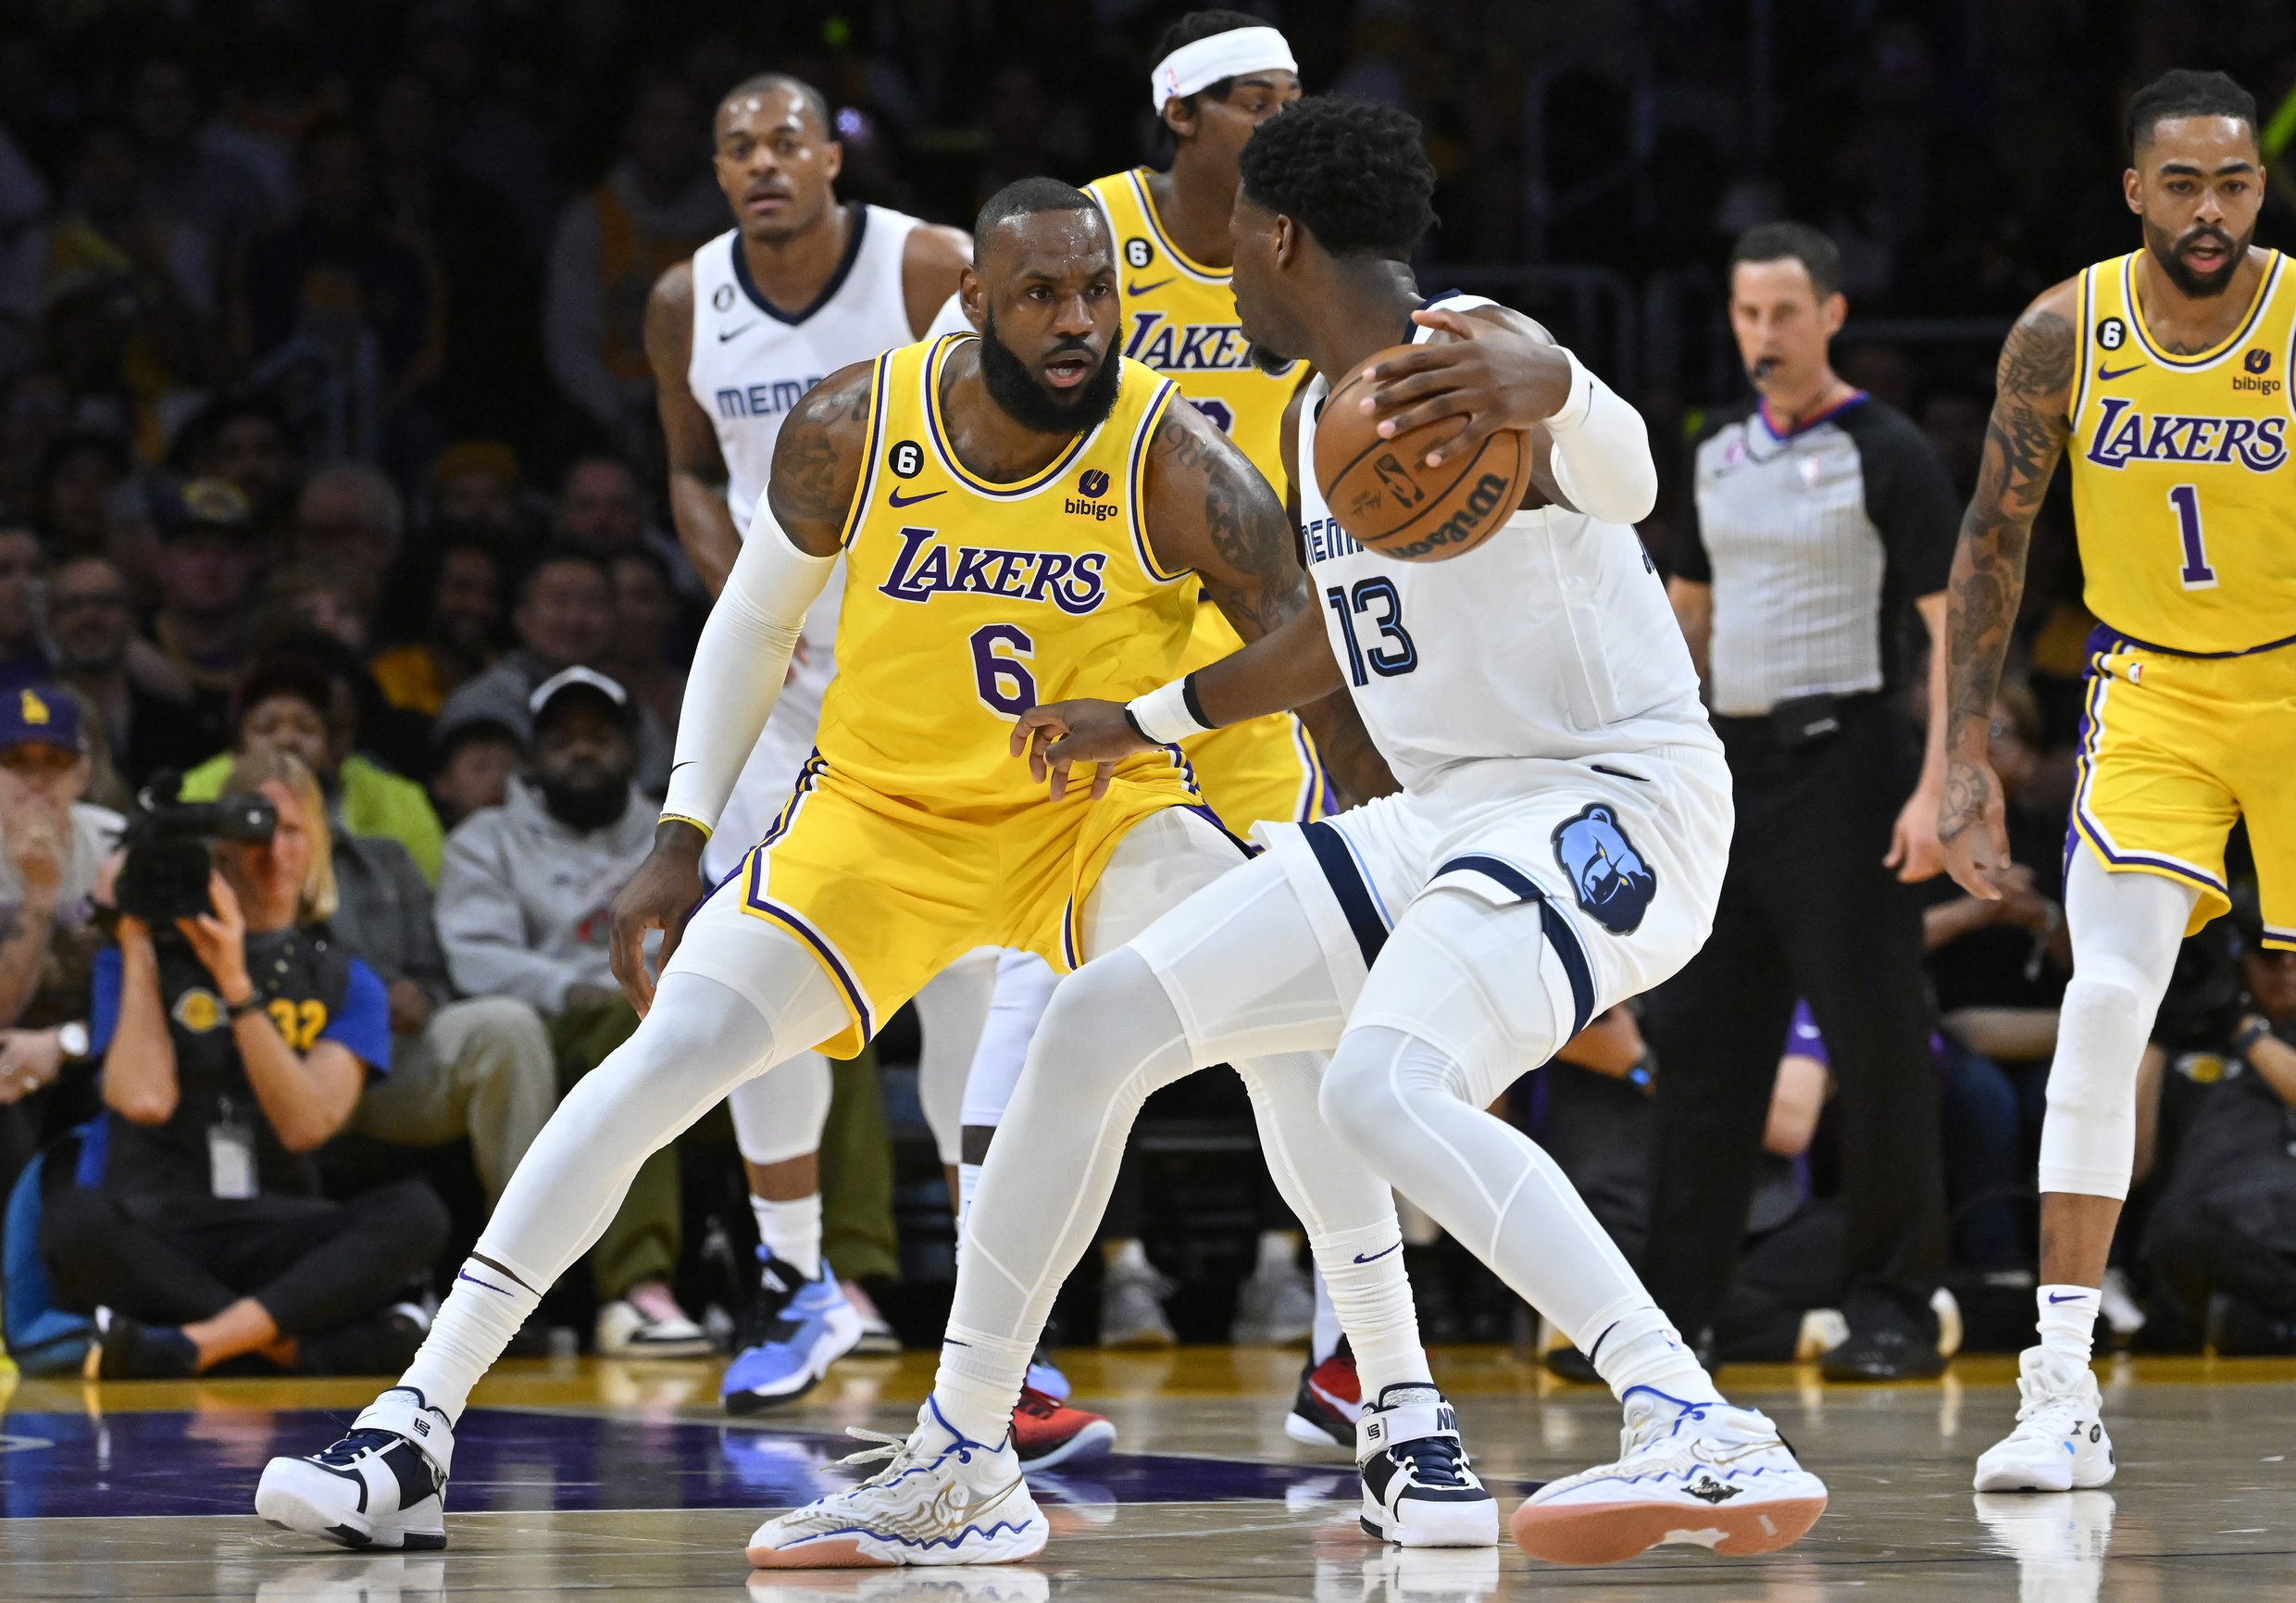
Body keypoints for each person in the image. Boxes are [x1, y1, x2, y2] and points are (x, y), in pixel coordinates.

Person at [256, 172, 1467, 1556]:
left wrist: (1384, 843)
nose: (1079, 322)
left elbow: (1318, 657)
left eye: (1098, 293)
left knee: (1296, 1027)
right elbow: (750, 625)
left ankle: (1402, 1409)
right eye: (1042, 296)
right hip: (880, 818)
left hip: (1099, 807)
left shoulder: (1177, 460)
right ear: (974, 303)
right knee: (668, 1053)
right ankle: (415, 1422)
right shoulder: (854, 422)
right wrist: (680, 836)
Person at [754, 96, 1829, 1571]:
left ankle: (1691, 1415)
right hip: (1444, 820)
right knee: (1098, 1017)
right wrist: (1148, 716)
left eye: (1231, 238)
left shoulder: (1469, 351)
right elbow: (1332, 639)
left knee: (1381, 1086)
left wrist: (1563, 386)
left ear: (1274, 234)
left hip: (1610, 799)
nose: (1218, 265)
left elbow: (1632, 477)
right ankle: (960, 1452)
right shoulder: (1320, 416)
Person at [943, 10, 1340, 1360]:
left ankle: (1345, 1327)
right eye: (1258, 98)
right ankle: (1004, 1336)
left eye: (1299, 95)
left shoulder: (1308, 245)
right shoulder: (1077, 243)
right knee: (1036, 984)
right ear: (1181, 115)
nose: (1289, 121)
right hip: (1095, 667)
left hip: (1257, 671)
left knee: (1317, 985)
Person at [1939, 69, 2295, 1493]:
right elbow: (1993, 541)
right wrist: (1962, 752)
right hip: (2150, 687)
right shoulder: (2061, 331)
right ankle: (2059, 1384)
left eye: (2236, 184)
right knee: (2104, 1001)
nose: (2211, 210)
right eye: (2184, 183)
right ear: (2135, 189)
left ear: (2257, 192)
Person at [644, 70, 977, 1412]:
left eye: (786, 140)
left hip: (934, 670)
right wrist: (751, 590)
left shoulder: (927, 267)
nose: (762, 163)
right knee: (751, 969)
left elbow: (990, 436)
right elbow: (682, 460)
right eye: (737, 147)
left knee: (975, 986)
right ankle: (796, 1280)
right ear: (719, 172)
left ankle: (992, 1314)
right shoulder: (684, 300)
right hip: (781, 689)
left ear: (833, 157)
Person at [1649, 219, 1957, 1381]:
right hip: (1728, 775)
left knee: (1876, 1046)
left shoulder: (1889, 450)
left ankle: (1896, 1305)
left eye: (1783, 313)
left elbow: (1949, 632)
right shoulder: (1713, 449)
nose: (1762, 335)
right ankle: (1675, 1315)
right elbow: (1685, 618)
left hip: (1852, 763)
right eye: (1744, 314)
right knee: (1700, 1048)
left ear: (1831, 315)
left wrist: (1940, 787)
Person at [44, 747, 448, 1378]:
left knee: (417, 1212)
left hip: (275, 1226)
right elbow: (143, 1098)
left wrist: (236, 982)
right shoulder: (135, 957)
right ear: (220, 846)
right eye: (253, 829)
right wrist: (137, 933)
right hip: (164, 1224)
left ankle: (191, 1346)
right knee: (74, 1219)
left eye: (291, 831)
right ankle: (290, 1346)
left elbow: (306, 1125)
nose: (273, 851)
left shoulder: (347, 979)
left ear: (317, 843)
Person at [431, 668, 707, 1358]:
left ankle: (832, 1280)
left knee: (824, 1038)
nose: (582, 750)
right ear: (531, 755)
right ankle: (638, 1292)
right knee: (632, 1032)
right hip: (551, 1023)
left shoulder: (672, 835)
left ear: (631, 749)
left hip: (668, 1010)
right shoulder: (484, 838)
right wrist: (570, 988)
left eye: (600, 736)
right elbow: (476, 955)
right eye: (562, 738)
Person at [178, 646, 445, 885]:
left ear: (328, 746)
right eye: (267, 727)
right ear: (236, 749)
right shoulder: (194, 797)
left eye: (306, 728)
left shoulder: (396, 815)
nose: (287, 740)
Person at [0, 685, 119, 1191]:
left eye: (54, 760)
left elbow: (149, 997)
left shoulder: (116, 848)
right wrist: (40, 893)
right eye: (15, 761)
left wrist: (64, 1044)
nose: (35, 781)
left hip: (90, 1051)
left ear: (83, 774)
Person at [435, 547, 672, 794]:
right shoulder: (479, 704)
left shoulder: (637, 716)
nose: (575, 619)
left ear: (614, 619)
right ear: (522, 616)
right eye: (559, 601)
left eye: (591, 603)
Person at [45, 555, 220, 793]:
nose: (88, 617)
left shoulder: (181, 727)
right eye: (71, 605)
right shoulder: (25, 723)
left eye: (105, 603)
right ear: (51, 624)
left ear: (132, 619)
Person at [368, 536, 501, 720]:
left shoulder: (506, 676)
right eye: (461, 588)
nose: (477, 605)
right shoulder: (388, 674)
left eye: (489, 593)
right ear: (430, 591)